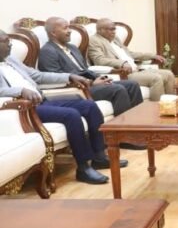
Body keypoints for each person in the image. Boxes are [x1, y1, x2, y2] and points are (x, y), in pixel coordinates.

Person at [0, 30, 127, 185]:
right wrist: (20, 90)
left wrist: (69, 76)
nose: (10, 45)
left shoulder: (10, 59)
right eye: (5, 41)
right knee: (71, 115)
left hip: (42, 100)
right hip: (23, 109)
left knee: (89, 106)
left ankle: (99, 157)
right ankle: (83, 168)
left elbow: (37, 76)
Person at [38, 17, 143, 116]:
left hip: (89, 83)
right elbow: (57, 78)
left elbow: (85, 69)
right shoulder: (48, 51)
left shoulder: (72, 47)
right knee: (117, 90)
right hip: (76, 88)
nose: (70, 31)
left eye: (69, 27)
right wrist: (91, 83)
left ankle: (137, 123)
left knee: (132, 85)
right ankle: (121, 127)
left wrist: (99, 78)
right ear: (53, 33)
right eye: (65, 28)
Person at [87, 18, 175, 101]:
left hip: (136, 69)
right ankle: (157, 108)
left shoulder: (115, 39)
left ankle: (172, 105)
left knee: (169, 74)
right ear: (100, 30)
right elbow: (99, 60)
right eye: (111, 29)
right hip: (124, 73)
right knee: (156, 78)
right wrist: (122, 63)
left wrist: (152, 56)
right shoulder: (94, 40)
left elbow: (130, 54)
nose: (114, 31)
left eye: (114, 29)